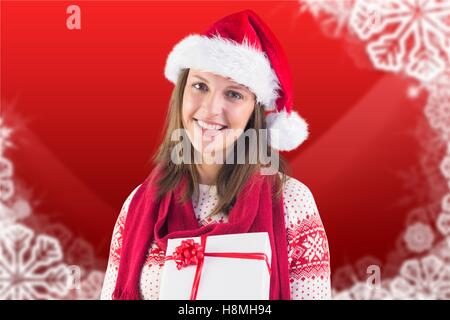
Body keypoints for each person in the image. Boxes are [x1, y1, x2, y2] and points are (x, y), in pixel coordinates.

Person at [100, 9, 331, 300]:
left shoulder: (291, 204)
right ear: (182, 92)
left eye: (234, 94)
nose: (210, 110)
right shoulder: (138, 203)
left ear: (254, 112)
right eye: (200, 86)